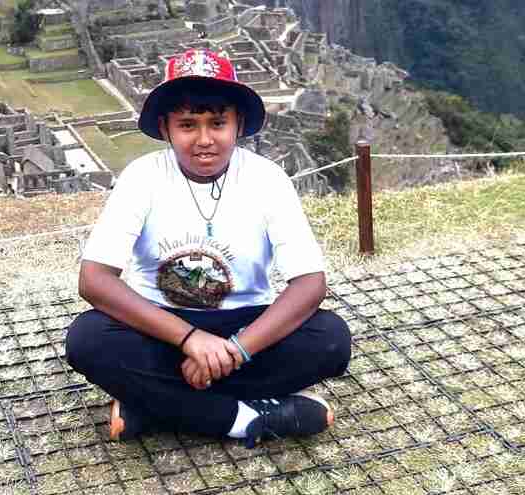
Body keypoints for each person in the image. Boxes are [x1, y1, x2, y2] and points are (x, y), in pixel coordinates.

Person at [65, 48, 351, 448]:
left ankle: (154, 404)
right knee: (87, 339)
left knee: (332, 338)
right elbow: (94, 279)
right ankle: (244, 418)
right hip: (161, 327)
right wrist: (190, 340)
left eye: (218, 123)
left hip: (247, 328)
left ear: (238, 124)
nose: (204, 140)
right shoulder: (141, 178)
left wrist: (234, 350)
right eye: (187, 125)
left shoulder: (267, 180)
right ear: (165, 128)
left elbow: (310, 283)